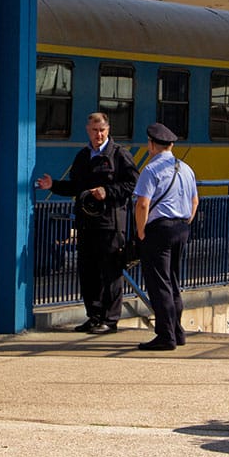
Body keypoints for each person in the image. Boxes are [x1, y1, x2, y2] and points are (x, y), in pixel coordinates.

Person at [35, 111, 139, 334]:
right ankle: (94, 316)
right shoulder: (83, 156)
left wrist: (107, 191)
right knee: (88, 272)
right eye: (94, 131)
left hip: (110, 224)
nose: (98, 134)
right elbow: (76, 187)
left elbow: (132, 185)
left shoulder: (119, 155)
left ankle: (110, 320)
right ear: (88, 131)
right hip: (86, 223)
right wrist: (53, 185)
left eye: (102, 130)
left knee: (110, 273)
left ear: (108, 130)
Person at [132, 122, 198, 352]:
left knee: (159, 284)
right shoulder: (186, 168)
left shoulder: (150, 170)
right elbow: (194, 202)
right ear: (170, 145)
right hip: (181, 228)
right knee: (172, 281)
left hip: (159, 230)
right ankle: (178, 332)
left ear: (151, 144)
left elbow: (142, 204)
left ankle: (165, 335)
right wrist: (185, 223)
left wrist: (141, 231)